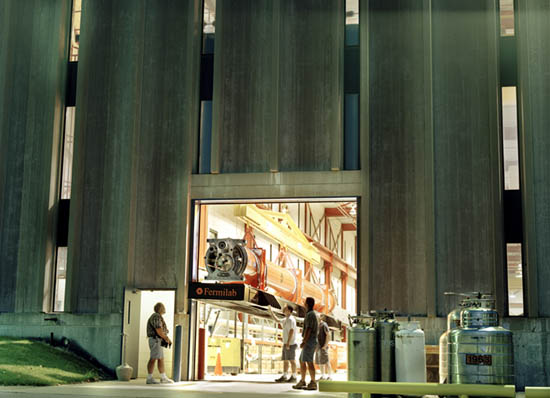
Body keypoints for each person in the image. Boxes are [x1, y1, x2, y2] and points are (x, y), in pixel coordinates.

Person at [292, 297, 318, 391]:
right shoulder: (310, 314)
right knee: (302, 360)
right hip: (309, 341)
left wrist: (304, 341)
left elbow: (309, 329)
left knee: (309, 361)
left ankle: (313, 382)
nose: (303, 303)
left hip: (309, 341)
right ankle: (302, 381)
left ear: (307, 304)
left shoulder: (311, 314)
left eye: (304, 302)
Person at [146, 302, 174, 384]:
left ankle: (163, 377)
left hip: (157, 340)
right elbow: (159, 329)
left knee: (160, 358)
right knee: (153, 358)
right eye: (163, 307)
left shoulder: (157, 316)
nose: (165, 309)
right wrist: (166, 338)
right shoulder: (156, 316)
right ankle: (150, 378)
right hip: (156, 340)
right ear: (160, 308)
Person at [275, 305, 298, 383]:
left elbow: (291, 331)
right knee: (285, 360)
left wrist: (288, 342)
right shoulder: (285, 319)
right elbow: (277, 320)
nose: (284, 309)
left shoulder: (291, 320)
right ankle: (284, 376)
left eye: (285, 309)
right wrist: (270, 311)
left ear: (289, 310)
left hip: (291, 343)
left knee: (292, 360)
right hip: (286, 343)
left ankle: (294, 376)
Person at [315, 313, 332, 380]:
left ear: (320, 317)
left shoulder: (324, 325)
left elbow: (328, 335)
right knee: (320, 362)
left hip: (323, 346)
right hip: (318, 346)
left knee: (326, 361)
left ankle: (330, 376)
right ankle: (323, 376)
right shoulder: (316, 326)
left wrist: (325, 345)